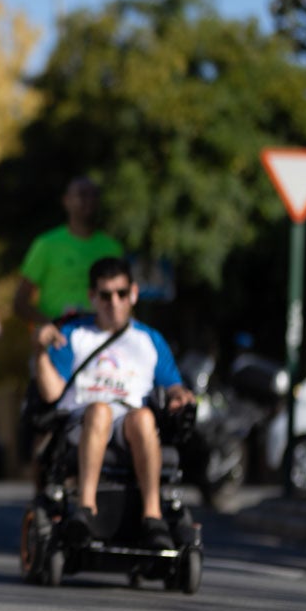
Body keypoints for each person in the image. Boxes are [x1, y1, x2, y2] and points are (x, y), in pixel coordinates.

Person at [33, 257, 194, 550]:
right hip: (82, 420)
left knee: (144, 417)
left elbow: (172, 384)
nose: (114, 303)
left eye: (121, 294)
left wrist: (179, 396)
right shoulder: (74, 335)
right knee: (100, 410)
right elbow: (51, 393)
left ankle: (152, 516)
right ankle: (85, 508)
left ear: (133, 293)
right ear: (92, 296)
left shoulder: (149, 340)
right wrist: (40, 352)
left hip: (128, 422)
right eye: (105, 295)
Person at [13, 176, 123, 346]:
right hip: (57, 344)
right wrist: (49, 325)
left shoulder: (112, 248)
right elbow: (20, 302)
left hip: (100, 343)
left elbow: (123, 298)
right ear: (66, 201)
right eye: (82, 195)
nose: (88, 200)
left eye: (93, 195)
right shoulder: (46, 245)